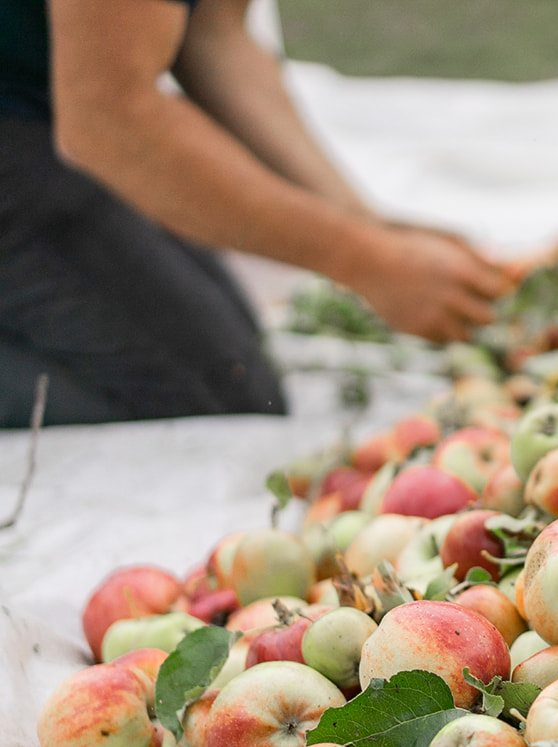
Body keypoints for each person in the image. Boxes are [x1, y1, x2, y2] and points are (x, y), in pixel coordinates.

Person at [0, 0, 515, 428]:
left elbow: (213, 36)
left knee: (231, 366)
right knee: (196, 405)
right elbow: (107, 118)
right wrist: (365, 259)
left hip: (39, 110)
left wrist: (367, 228)